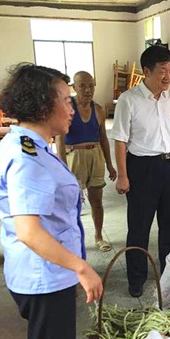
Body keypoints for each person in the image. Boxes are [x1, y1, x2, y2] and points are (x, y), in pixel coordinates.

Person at [0, 63, 102, 339]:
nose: (72, 107)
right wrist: (81, 267)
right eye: (65, 99)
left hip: (47, 271)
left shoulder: (30, 144)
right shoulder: (27, 156)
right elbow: (29, 230)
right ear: (43, 106)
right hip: (44, 274)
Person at [110, 46, 170, 298]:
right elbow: (120, 140)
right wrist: (122, 175)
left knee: (168, 226)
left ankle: (167, 276)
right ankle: (137, 278)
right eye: (163, 71)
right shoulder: (128, 100)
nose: (168, 76)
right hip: (141, 168)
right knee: (139, 227)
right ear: (147, 71)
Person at [56, 71, 116, 252]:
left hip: (95, 155)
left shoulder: (98, 109)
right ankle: (72, 241)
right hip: (74, 156)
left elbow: (104, 138)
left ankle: (98, 236)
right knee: (72, 202)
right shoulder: (68, 108)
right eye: (83, 86)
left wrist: (109, 163)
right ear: (74, 88)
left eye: (91, 85)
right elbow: (60, 140)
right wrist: (62, 169)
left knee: (96, 200)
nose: (88, 90)